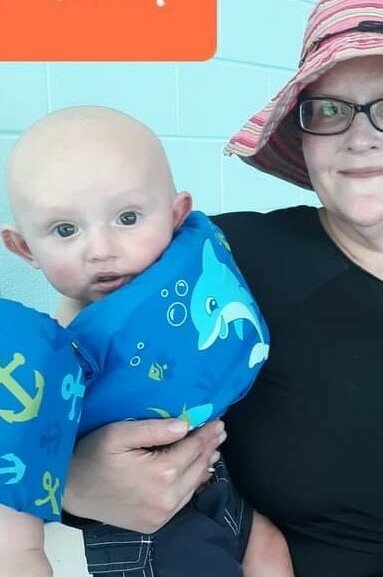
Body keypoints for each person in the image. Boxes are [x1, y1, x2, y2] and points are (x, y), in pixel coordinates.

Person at [58, 1, 383, 576]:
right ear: (305, 135)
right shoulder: (221, 257)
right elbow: (72, 349)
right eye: (329, 109)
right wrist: (70, 481)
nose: (360, 137)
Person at [0, 106, 293, 577]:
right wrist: (22, 556)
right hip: (138, 529)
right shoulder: (54, 355)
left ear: (177, 215)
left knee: (269, 546)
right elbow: (14, 450)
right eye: (65, 230)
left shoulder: (185, 286)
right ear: (23, 248)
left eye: (128, 217)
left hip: (215, 483)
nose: (101, 249)